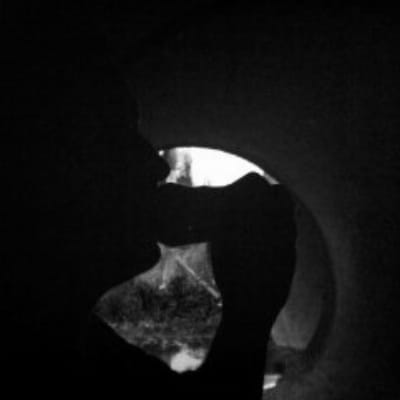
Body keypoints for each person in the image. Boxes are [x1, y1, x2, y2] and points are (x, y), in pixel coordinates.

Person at [2, 5, 296, 399]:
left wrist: (250, 312)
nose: (155, 165)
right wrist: (249, 315)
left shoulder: (72, 338)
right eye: (111, 139)